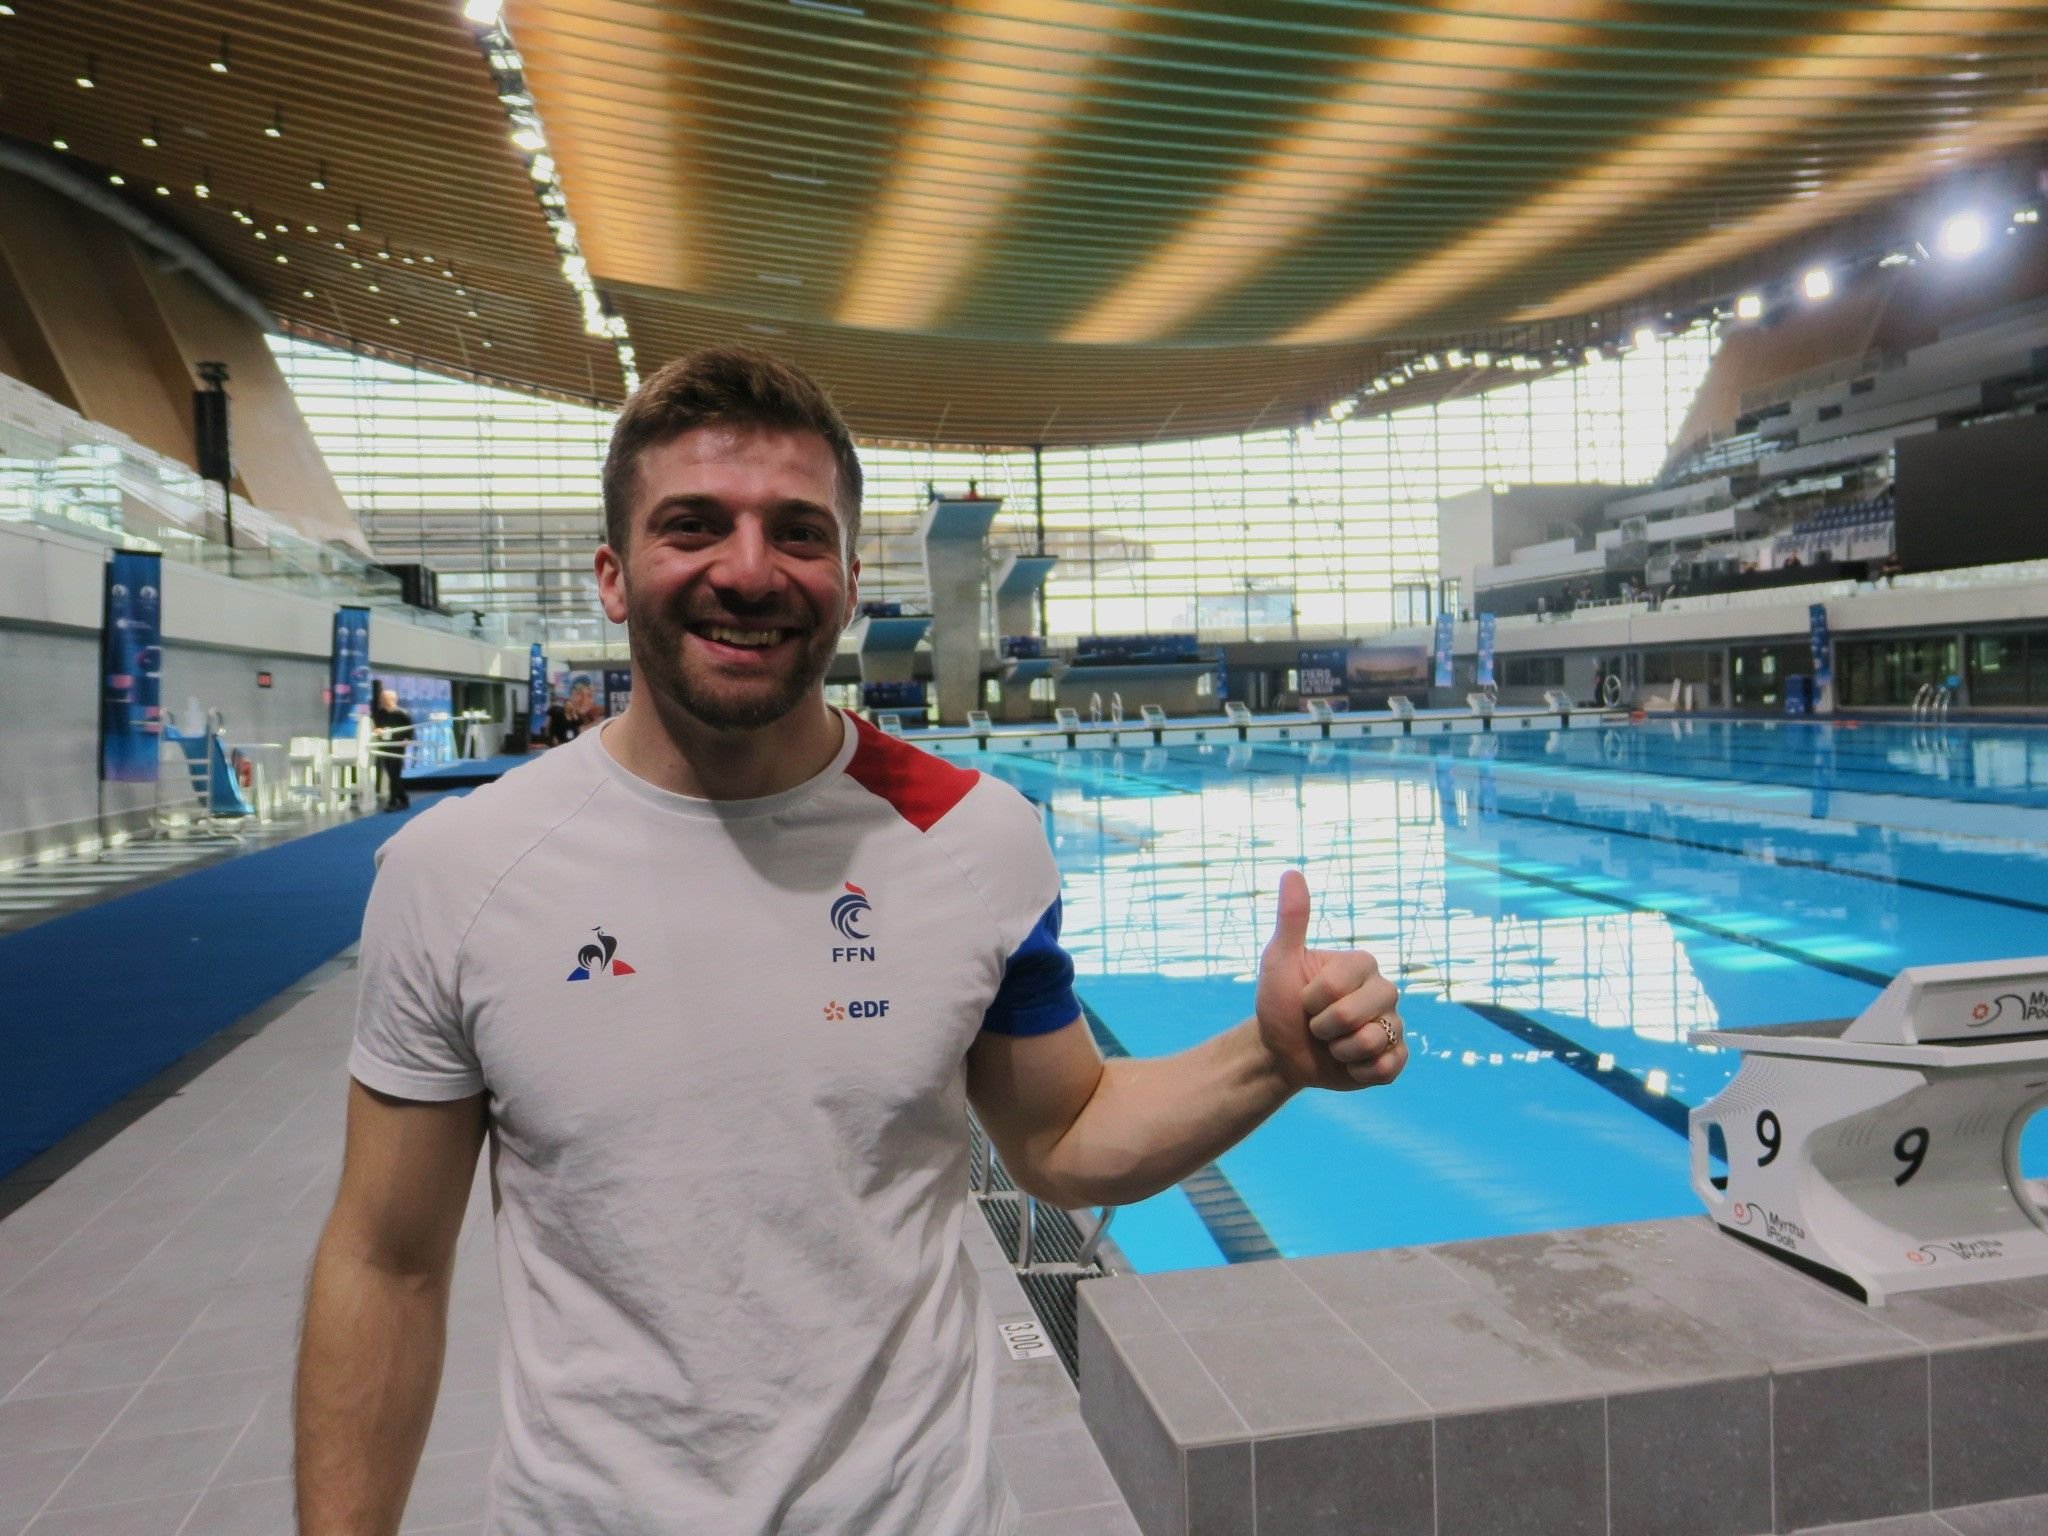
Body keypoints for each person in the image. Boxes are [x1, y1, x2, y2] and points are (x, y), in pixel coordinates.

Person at [295, 348, 1408, 1535]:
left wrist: (1267, 1058)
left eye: (796, 532)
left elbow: (1064, 1136)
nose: (747, 571)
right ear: (613, 578)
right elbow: (386, 1263)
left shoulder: (972, 838)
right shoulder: (458, 871)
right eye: (693, 526)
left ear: (847, 575)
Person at [368, 686, 413, 811]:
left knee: (395, 773)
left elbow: (409, 730)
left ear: (393, 699)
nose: (382, 700)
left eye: (385, 698)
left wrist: (406, 740)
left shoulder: (402, 714)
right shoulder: (379, 714)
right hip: (385, 746)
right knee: (391, 774)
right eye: (382, 698)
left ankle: (392, 802)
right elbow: (375, 727)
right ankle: (403, 798)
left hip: (397, 747)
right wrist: (378, 730)